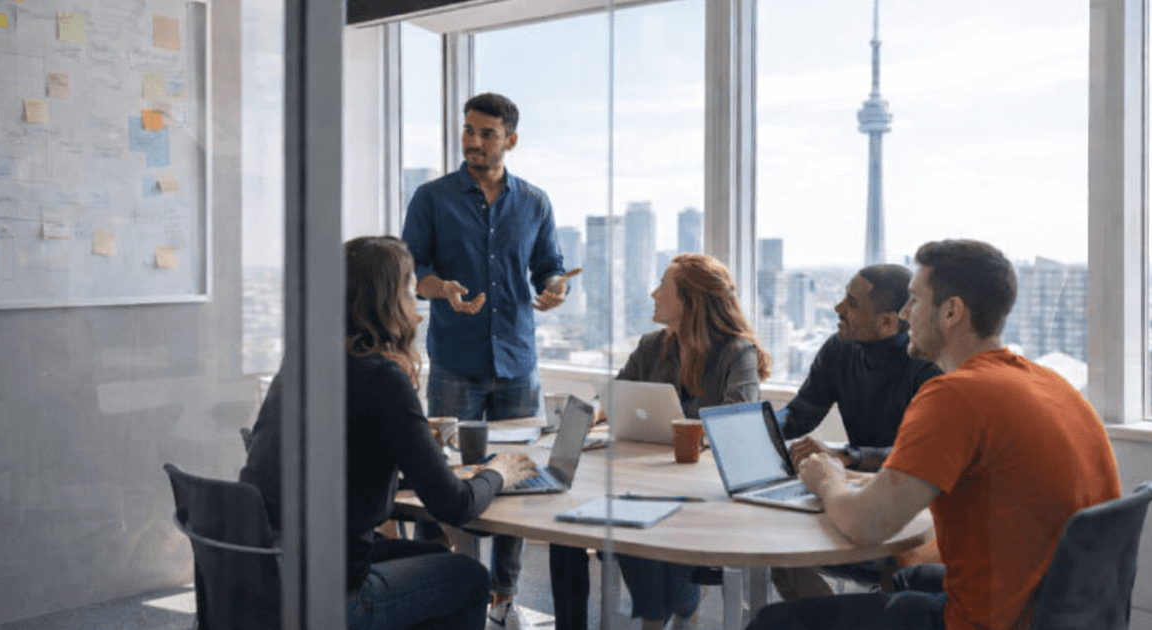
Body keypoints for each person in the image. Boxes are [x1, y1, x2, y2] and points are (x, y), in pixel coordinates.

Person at [745, 239, 1121, 630]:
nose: (906, 314)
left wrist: (828, 481)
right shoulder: (1050, 384)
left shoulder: (954, 394)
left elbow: (867, 526)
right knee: (906, 583)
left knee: (773, 623)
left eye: (914, 301)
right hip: (1060, 613)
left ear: (951, 311)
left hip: (987, 622)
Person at [239, 236, 538, 630]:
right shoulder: (382, 376)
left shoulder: (301, 360)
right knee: (469, 577)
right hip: (331, 594)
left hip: (268, 576)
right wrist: (499, 471)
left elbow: (337, 460)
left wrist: (403, 445)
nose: (416, 304)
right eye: (410, 290)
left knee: (426, 555)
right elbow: (455, 506)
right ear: (389, 300)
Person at [401, 92, 579, 625]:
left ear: (511, 141)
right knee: (448, 477)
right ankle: (441, 591)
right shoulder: (432, 198)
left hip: (518, 363)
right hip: (457, 362)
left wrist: (553, 289)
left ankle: (504, 599)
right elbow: (415, 270)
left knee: (519, 480)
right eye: (468, 131)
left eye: (486, 133)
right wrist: (443, 290)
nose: (473, 141)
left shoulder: (535, 202)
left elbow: (550, 267)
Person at [550, 253, 773, 630]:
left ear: (692, 301)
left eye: (663, 288)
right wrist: (594, 415)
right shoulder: (652, 345)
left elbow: (739, 421)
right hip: (647, 475)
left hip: (704, 489)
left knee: (642, 513)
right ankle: (668, 613)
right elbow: (615, 397)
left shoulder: (738, 352)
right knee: (617, 510)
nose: (653, 294)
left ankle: (665, 614)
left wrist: (687, 432)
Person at [772, 264, 942, 599]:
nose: (838, 309)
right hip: (854, 489)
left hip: (916, 508)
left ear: (887, 322)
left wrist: (849, 456)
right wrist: (758, 428)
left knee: (896, 572)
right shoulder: (839, 349)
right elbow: (800, 413)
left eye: (851, 302)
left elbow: (923, 459)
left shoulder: (930, 371)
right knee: (781, 552)